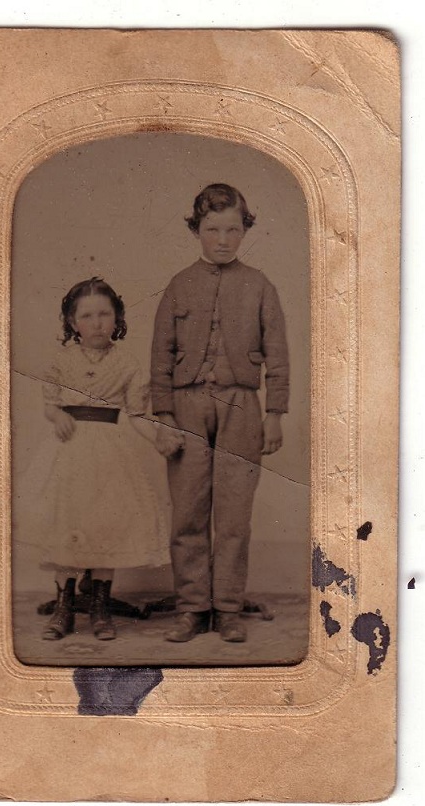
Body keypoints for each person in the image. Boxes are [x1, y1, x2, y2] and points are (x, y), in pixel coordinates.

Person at [151, 183, 289, 644]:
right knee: (188, 514)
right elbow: (160, 355)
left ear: (245, 229)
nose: (223, 239)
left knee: (233, 517)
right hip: (186, 408)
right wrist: (164, 415)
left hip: (242, 409)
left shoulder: (260, 286)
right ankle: (192, 609)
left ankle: (227, 609)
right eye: (213, 229)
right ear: (197, 230)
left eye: (233, 229)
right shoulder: (178, 285)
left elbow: (278, 355)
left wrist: (275, 413)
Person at [15, 277, 168, 642]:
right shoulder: (60, 361)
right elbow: (51, 407)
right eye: (87, 315)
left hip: (111, 453)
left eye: (105, 314)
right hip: (69, 452)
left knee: (106, 523)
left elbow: (136, 414)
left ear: (117, 319)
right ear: (72, 322)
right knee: (67, 520)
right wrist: (60, 416)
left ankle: (100, 608)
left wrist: (162, 439)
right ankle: (64, 608)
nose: (97, 322)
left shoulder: (127, 363)